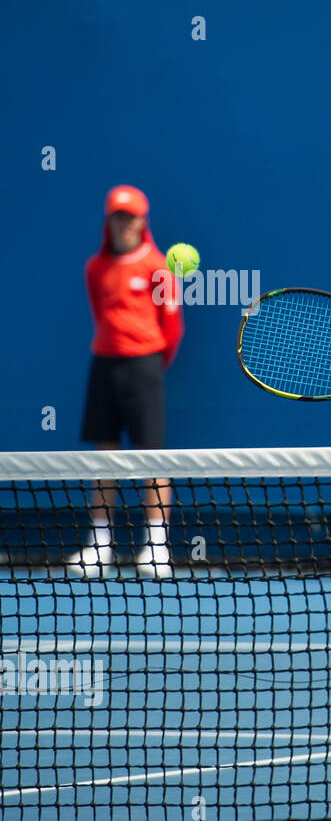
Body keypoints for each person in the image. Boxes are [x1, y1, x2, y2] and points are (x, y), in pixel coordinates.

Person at [67, 185, 184, 579]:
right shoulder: (94, 268)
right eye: (119, 216)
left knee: (151, 456)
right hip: (104, 364)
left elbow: (173, 325)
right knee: (104, 454)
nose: (125, 223)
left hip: (144, 367)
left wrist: (150, 364)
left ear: (142, 221)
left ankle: (156, 545)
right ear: (110, 221)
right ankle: (99, 544)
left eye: (131, 216)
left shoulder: (159, 266)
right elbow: (100, 313)